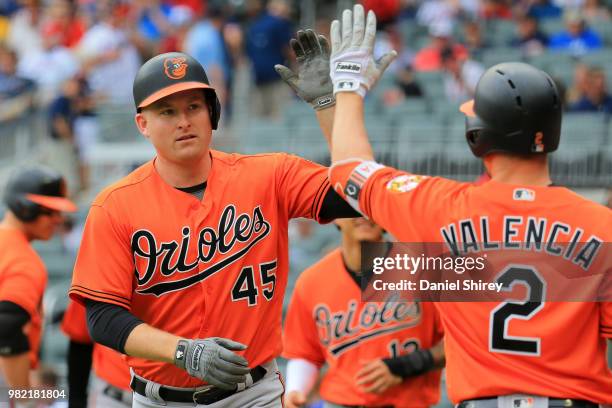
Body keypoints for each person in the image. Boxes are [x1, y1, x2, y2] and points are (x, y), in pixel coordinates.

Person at [316, 5, 612, 405]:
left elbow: (348, 171)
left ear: (478, 137)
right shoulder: (602, 226)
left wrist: (348, 86)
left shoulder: (440, 208)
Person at [68, 50, 357, 408]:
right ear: (142, 124)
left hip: (253, 394)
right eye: (167, 111)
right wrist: (183, 352)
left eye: (194, 107)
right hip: (159, 399)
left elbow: (356, 196)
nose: (183, 121)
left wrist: (331, 106)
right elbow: (102, 318)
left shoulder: (269, 176)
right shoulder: (115, 206)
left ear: (213, 113)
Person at [283, 217, 444, 408]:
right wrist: (296, 390)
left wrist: (406, 365)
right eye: (353, 206)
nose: (363, 215)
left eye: (369, 204)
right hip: (339, 403)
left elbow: (462, 343)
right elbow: (304, 354)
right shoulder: (311, 281)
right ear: (336, 217)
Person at [0, 166, 76, 389]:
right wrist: (22, 396)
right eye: (50, 212)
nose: (58, 219)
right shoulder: (24, 260)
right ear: (25, 208)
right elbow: (8, 329)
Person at [61, 299, 132, 407]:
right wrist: (76, 401)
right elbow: (80, 341)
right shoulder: (95, 283)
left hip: (164, 393)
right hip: (113, 395)